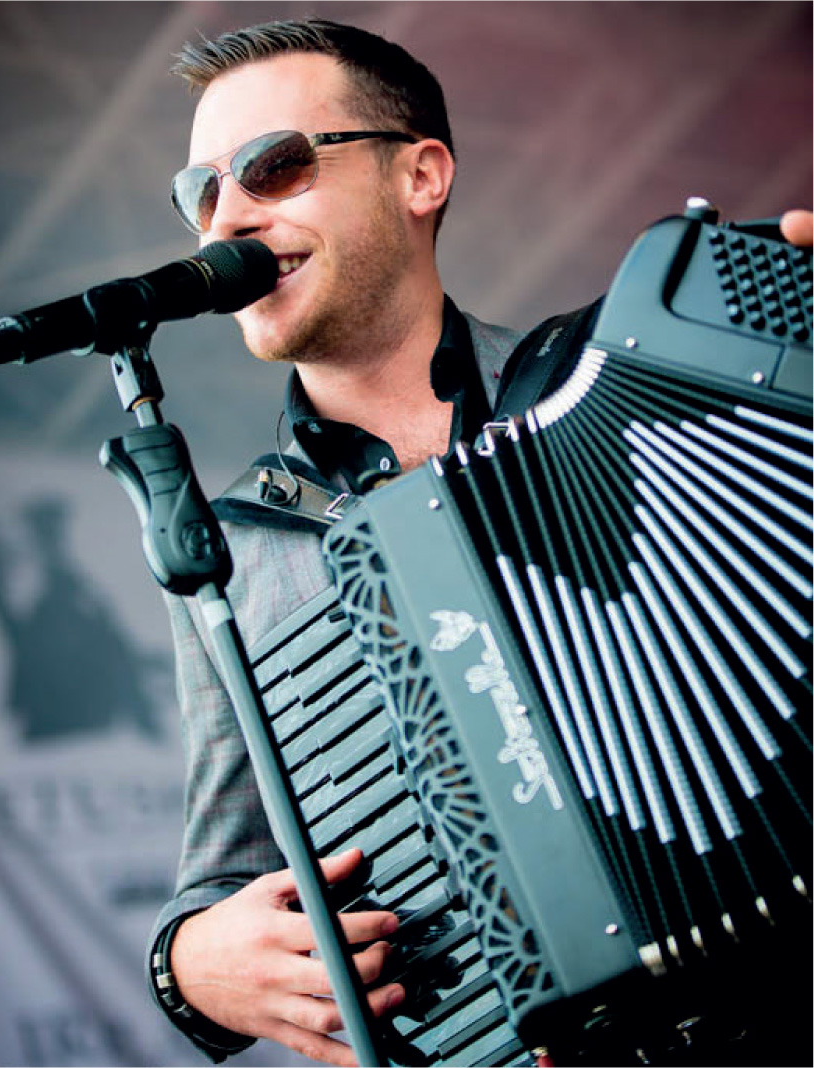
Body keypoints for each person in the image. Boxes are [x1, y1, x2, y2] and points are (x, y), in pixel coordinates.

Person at [147, 17, 812, 1067]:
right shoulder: (234, 549)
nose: (227, 217)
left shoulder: (641, 376)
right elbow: (216, 881)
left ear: (420, 176)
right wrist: (190, 968)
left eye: (271, 168)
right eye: (201, 194)